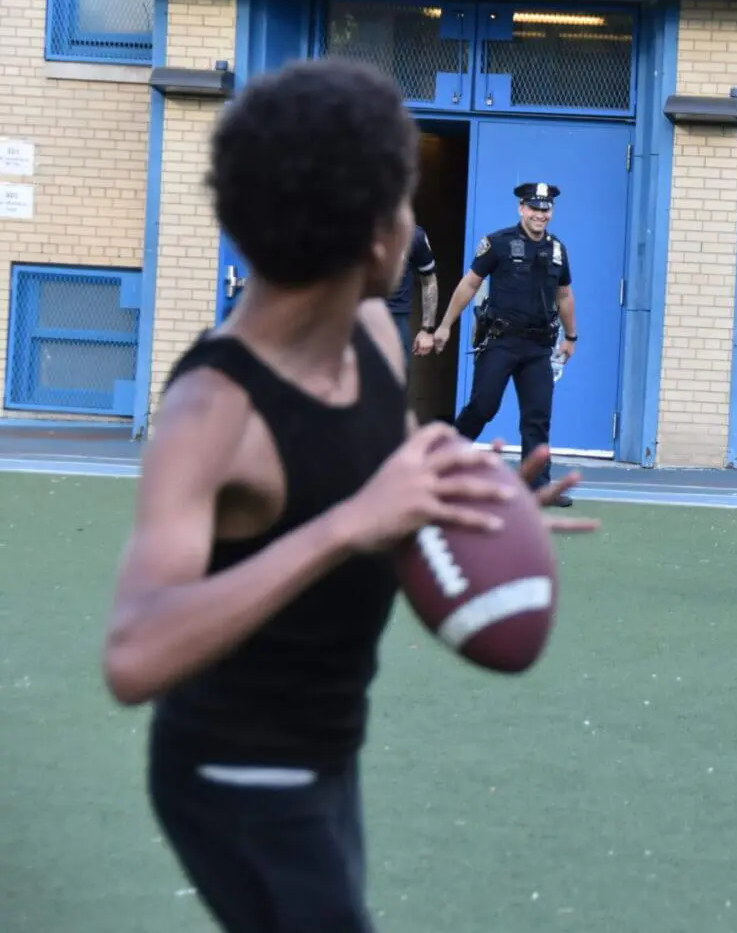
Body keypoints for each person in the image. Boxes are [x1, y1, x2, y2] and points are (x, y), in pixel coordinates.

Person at [102, 57, 597, 933]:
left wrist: (472, 496)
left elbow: (381, 473)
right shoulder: (214, 410)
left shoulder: (372, 335)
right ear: (379, 238)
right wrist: (347, 528)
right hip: (235, 772)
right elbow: (136, 652)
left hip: (328, 747)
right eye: (405, 206)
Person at [432, 182, 578, 505]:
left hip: (538, 346)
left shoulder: (557, 250)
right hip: (501, 341)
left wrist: (571, 337)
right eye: (535, 208)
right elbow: (470, 284)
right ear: (521, 209)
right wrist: (444, 326)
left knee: (537, 416)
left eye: (546, 209)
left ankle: (537, 485)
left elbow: (564, 295)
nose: (541, 214)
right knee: (483, 406)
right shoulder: (497, 243)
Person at [383, 222, 439, 360]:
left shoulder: (413, 235)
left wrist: (427, 329)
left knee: (394, 380)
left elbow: (429, 281)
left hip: (395, 321)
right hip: (350, 319)